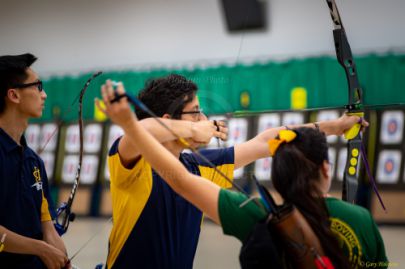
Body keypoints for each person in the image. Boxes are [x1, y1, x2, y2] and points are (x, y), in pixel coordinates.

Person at [100, 85, 388, 269]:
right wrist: (190, 130)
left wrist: (334, 127)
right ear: (170, 117)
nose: (204, 120)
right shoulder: (131, 162)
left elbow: (266, 142)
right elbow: (140, 130)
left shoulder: (199, 165)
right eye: (196, 113)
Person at [0, 54, 69, 269]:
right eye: (38, 87)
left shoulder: (34, 161)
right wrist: (40, 249)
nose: (44, 95)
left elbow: (47, 227)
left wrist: (61, 257)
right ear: (14, 95)